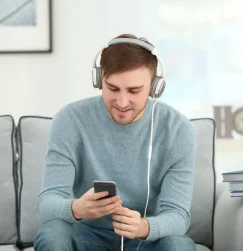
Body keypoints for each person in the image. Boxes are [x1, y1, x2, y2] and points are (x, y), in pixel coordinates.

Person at [33, 33, 197, 251]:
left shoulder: (178, 130)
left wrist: (143, 227)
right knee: (54, 233)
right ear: (99, 80)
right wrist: (77, 209)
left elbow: (178, 216)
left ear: (155, 86)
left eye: (134, 91)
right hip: (87, 236)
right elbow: (46, 205)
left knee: (178, 245)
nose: (122, 102)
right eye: (112, 88)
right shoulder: (70, 120)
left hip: (144, 240)